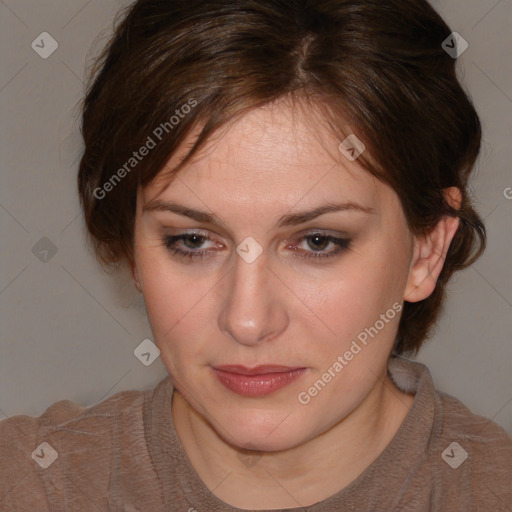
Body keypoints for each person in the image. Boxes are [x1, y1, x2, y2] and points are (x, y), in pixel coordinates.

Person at [1, 0, 511, 510]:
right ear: (132, 249)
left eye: (317, 242)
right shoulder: (26, 486)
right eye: (193, 241)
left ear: (426, 252)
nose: (247, 321)